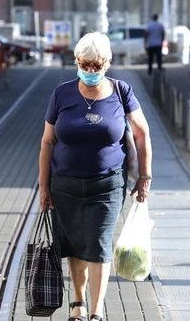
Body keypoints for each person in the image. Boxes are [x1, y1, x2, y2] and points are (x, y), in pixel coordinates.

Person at [39, 32, 153, 321]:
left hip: (107, 184)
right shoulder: (62, 93)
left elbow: (142, 133)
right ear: (76, 61)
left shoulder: (121, 91)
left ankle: (96, 310)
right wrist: (43, 186)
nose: (90, 70)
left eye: (97, 65)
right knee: (75, 245)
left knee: (99, 245)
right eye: (85, 64)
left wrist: (145, 176)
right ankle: (78, 304)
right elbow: (47, 141)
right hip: (65, 185)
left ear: (108, 62)